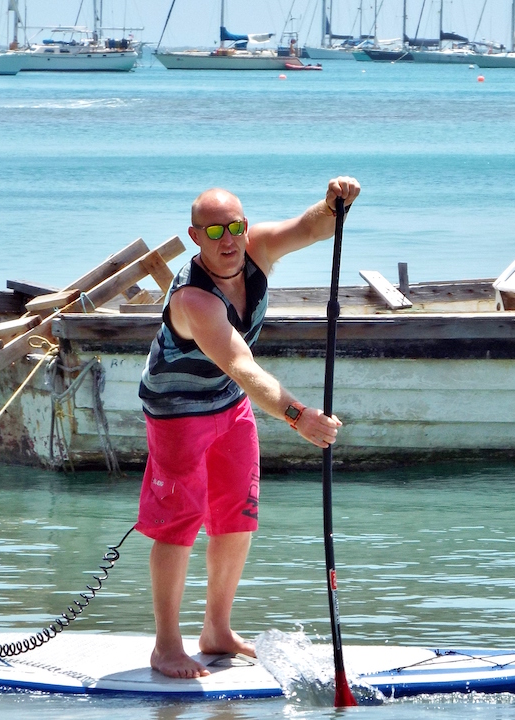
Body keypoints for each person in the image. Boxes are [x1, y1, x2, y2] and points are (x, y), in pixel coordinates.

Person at [135, 177, 361, 678]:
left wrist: (333, 204)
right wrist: (299, 417)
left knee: (238, 515)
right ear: (196, 238)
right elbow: (243, 366)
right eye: (214, 231)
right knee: (179, 525)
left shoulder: (255, 248)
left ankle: (216, 629)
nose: (229, 239)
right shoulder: (194, 300)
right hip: (177, 411)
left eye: (235, 226)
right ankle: (166, 647)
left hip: (229, 405)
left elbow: (310, 227)